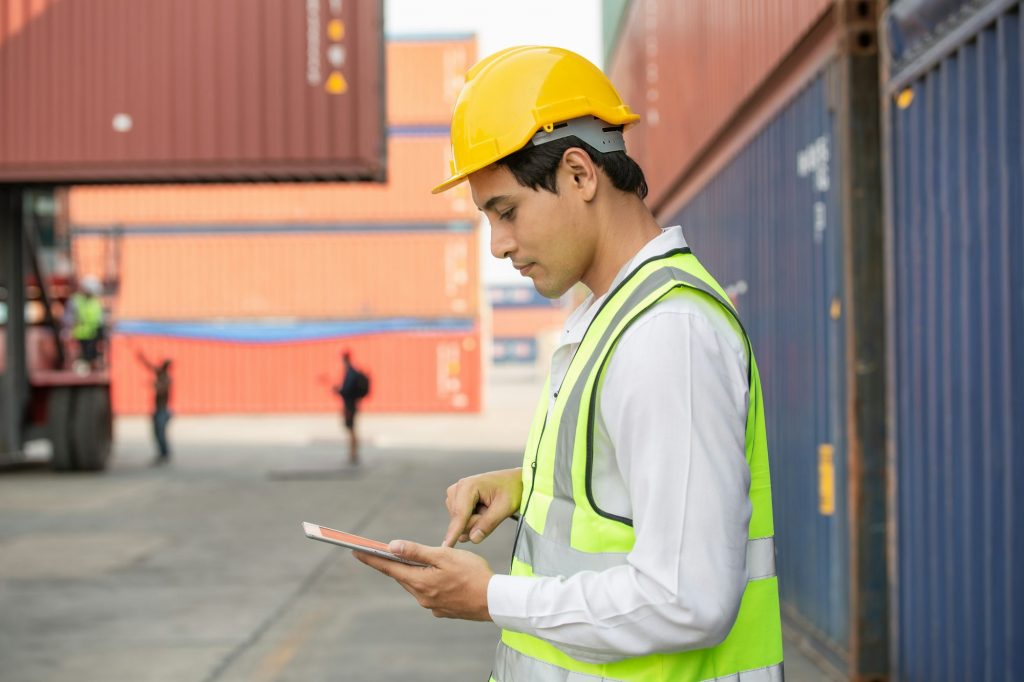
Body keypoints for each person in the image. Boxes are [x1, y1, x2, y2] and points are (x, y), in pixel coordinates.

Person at [354, 46, 783, 681]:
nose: (498, 246)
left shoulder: (666, 333)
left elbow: (686, 598)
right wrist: (527, 486)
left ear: (580, 174)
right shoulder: (610, 315)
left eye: (506, 212)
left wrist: (491, 597)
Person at [136, 351, 173, 465]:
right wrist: (142, 357)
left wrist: (153, 384)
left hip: (163, 411)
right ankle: (162, 454)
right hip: (159, 411)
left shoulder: (166, 378)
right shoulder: (160, 374)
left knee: (160, 434)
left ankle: (164, 454)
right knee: (157, 434)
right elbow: (149, 366)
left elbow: (161, 389)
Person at [334, 351, 368, 466]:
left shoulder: (350, 373)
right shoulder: (352, 372)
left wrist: (338, 390)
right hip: (352, 404)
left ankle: (353, 454)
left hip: (350, 405)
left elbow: (347, 390)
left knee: (351, 429)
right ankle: (353, 454)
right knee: (352, 429)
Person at [65, 276, 105, 373]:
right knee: (81, 357)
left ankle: (90, 367)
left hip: (93, 335)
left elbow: (99, 318)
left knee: (91, 356)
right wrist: (69, 331)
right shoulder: (76, 301)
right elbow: (68, 318)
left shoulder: (95, 301)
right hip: (79, 335)